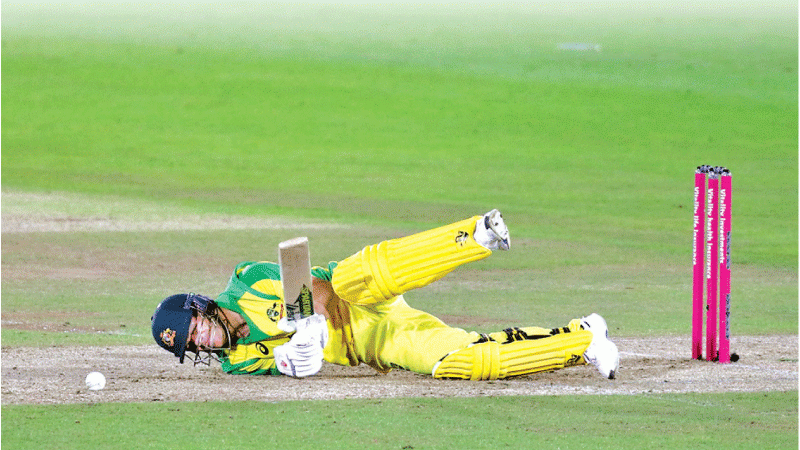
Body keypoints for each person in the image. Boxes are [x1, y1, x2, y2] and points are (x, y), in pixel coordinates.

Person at [151, 210, 619, 380]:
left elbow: (315, 283)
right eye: (192, 345)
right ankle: (582, 339)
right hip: (376, 341)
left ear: (201, 306)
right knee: (457, 364)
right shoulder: (236, 361)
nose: (203, 342)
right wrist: (292, 363)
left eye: (195, 329)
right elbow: (280, 363)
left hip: (352, 294)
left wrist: (314, 324)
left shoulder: (247, 281)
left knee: (357, 273)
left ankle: (474, 235)